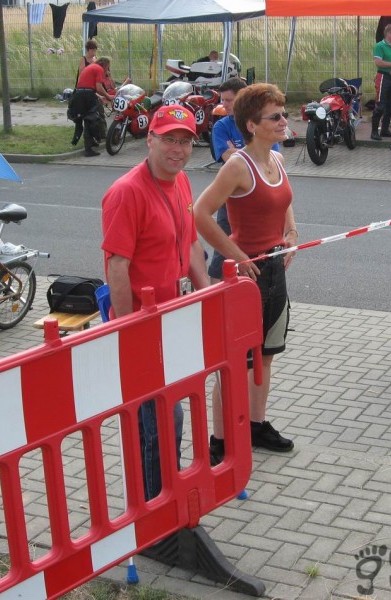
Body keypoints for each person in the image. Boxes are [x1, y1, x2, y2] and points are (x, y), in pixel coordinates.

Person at [101, 104, 209, 501]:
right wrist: (129, 329)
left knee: (167, 412)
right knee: (162, 417)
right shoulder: (127, 193)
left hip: (173, 316)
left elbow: (191, 242)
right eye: (168, 140)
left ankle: (164, 494)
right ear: (149, 139)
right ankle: (154, 505)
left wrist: (205, 294)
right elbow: (117, 266)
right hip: (142, 324)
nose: (177, 149)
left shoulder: (180, 182)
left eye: (185, 141)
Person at [194, 83, 298, 462]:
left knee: (266, 354)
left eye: (284, 114)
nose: (284, 121)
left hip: (274, 270)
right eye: (276, 116)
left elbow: (284, 201)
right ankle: (220, 440)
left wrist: (291, 233)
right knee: (234, 361)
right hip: (243, 276)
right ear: (252, 125)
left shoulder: (278, 160)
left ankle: (256, 424)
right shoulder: (238, 165)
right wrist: (236, 255)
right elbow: (200, 214)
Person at [209, 77, 280, 282]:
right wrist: (251, 152)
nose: (224, 104)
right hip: (232, 196)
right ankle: (215, 294)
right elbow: (226, 157)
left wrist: (238, 151)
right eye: (222, 100)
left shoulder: (261, 123)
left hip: (260, 196)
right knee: (223, 251)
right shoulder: (221, 126)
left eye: (229, 100)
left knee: (260, 250)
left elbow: (268, 155)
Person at [69, 56, 114, 157]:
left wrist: (99, 97)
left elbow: (87, 85)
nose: (107, 70)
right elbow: (98, 87)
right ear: (105, 65)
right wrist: (108, 96)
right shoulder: (99, 69)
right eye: (108, 67)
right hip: (86, 96)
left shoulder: (92, 67)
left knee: (90, 119)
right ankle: (88, 149)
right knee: (90, 121)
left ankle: (91, 141)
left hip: (80, 94)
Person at [371, 23, 391, 141]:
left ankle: (384, 129)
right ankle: (374, 131)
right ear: (388, 34)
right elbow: (378, 62)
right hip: (383, 77)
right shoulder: (379, 46)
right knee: (380, 105)